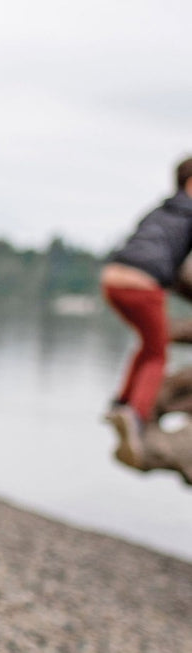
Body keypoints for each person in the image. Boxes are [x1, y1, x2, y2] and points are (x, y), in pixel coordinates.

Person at [101, 156, 192, 467]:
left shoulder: (160, 209)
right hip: (142, 285)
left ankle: (120, 402)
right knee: (158, 352)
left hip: (113, 278)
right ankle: (136, 414)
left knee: (147, 344)